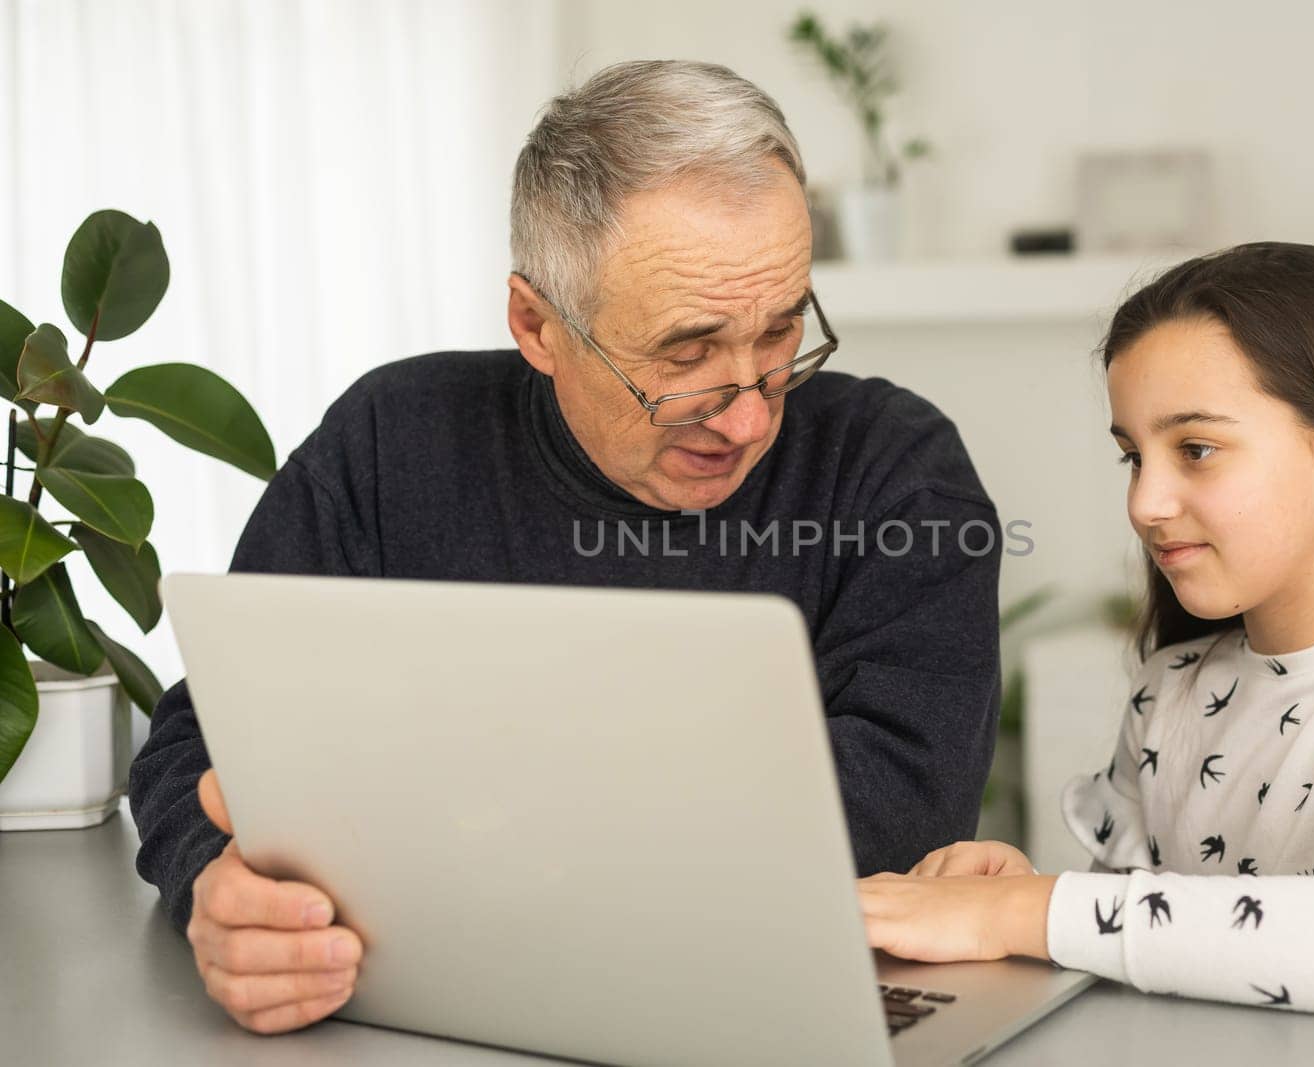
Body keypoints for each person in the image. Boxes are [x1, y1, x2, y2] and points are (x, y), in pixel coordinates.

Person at [130, 60, 1004, 1035]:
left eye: (782, 330)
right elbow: (200, 741)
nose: (752, 412)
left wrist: (461, 834)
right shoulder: (391, 441)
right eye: (684, 356)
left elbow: (899, 813)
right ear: (536, 324)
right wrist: (213, 884)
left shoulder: (898, 471)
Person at [859, 242, 1314, 1018]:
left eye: (1196, 450)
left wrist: (1028, 911)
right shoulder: (1169, 692)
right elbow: (1137, 949)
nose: (1146, 502)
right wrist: (1015, 901)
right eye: (1132, 457)